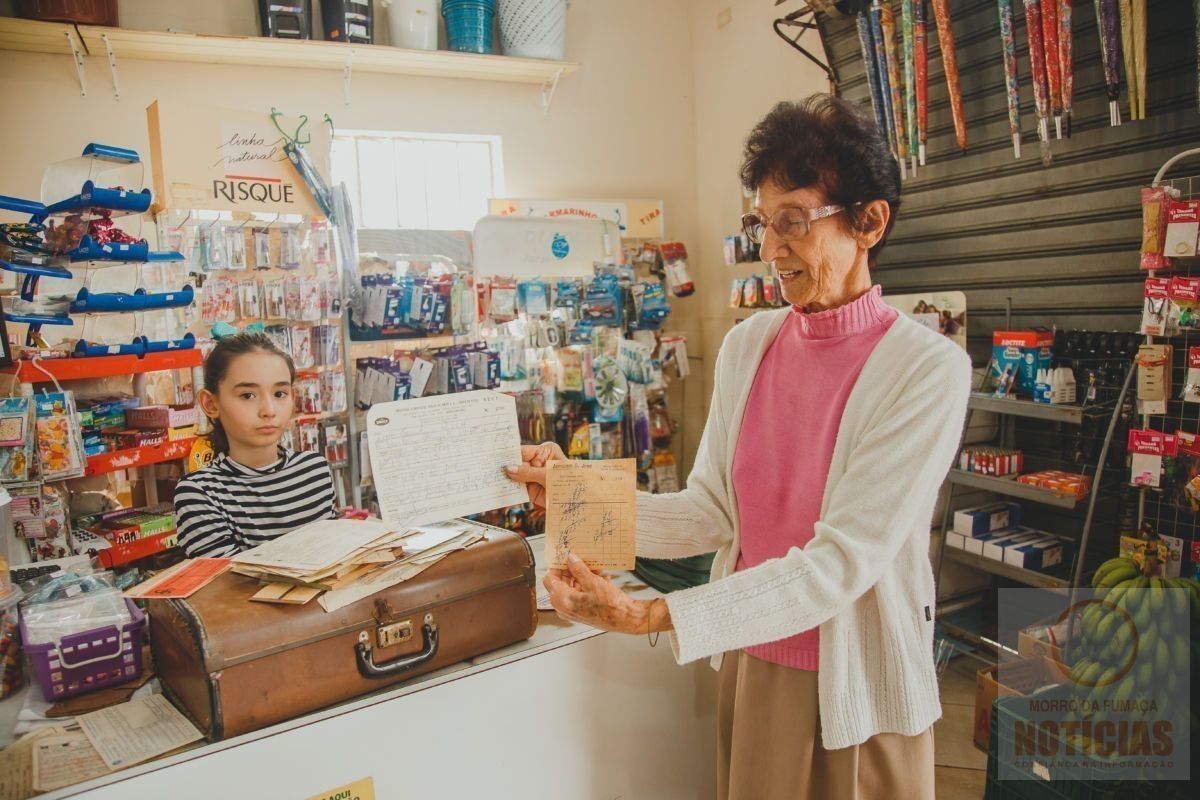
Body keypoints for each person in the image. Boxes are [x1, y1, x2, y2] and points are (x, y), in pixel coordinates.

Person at [505, 94, 970, 800]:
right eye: (761, 222)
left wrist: (654, 616)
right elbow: (710, 513)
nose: (770, 249)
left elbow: (841, 562)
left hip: (860, 694)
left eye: (793, 222)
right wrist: (574, 490)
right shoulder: (749, 346)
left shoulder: (927, 370)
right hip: (756, 663)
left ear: (870, 222)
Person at [175, 333, 337, 558]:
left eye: (279, 393)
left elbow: (335, 556)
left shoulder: (314, 470)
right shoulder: (201, 492)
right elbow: (226, 587)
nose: (269, 410)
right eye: (248, 395)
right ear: (211, 403)